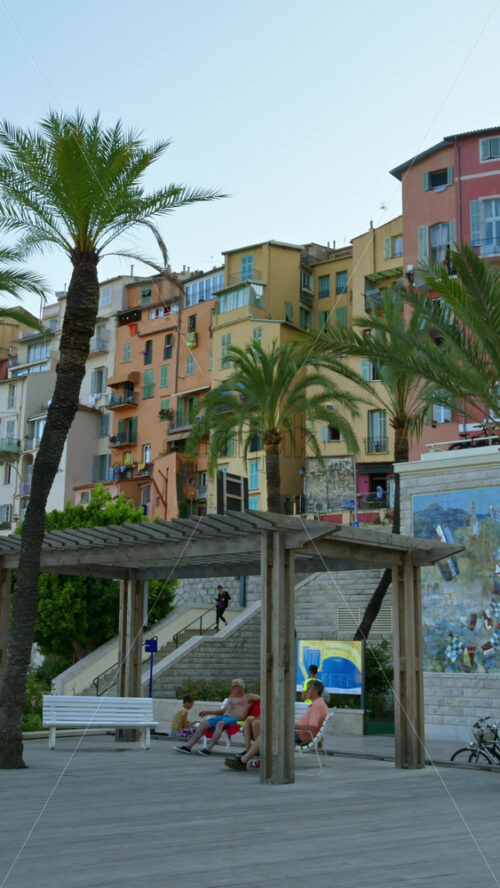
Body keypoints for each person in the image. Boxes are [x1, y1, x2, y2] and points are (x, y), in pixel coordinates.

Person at [224, 679, 328, 771]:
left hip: (301, 736)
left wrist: (290, 725)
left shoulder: (317, 706)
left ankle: (243, 761)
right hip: (299, 733)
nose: (305, 690)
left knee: (266, 734)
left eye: (308, 689)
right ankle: (251, 757)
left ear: (315, 691)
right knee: (265, 731)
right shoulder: (318, 703)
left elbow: (313, 729)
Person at [175, 678, 259, 755]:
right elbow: (222, 711)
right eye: (232, 686)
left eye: (235, 686)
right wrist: (207, 712)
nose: (233, 688)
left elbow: (263, 698)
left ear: (242, 687)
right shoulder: (231, 697)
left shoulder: (248, 697)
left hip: (235, 719)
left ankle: (207, 749)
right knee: (203, 723)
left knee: (220, 723)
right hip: (224, 717)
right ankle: (188, 747)